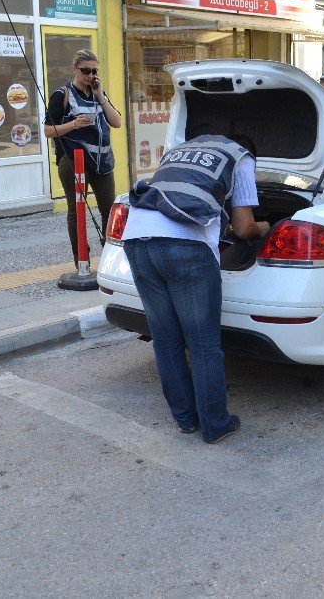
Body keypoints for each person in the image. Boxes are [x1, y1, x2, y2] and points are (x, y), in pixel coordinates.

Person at [121, 134, 270, 444]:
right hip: (185, 248)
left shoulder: (179, 151)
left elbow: (180, 198)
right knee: (203, 343)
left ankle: (186, 419)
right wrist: (262, 228)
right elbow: (243, 227)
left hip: (136, 238)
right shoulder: (241, 157)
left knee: (165, 338)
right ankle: (216, 424)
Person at [44, 49, 122, 266]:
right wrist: (74, 124)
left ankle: (110, 260)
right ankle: (82, 261)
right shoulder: (62, 95)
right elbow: (48, 131)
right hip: (73, 160)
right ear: (74, 69)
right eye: (85, 70)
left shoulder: (99, 93)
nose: (90, 75)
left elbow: (116, 122)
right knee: (77, 209)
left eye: (94, 71)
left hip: (102, 162)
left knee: (110, 209)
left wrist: (100, 95)